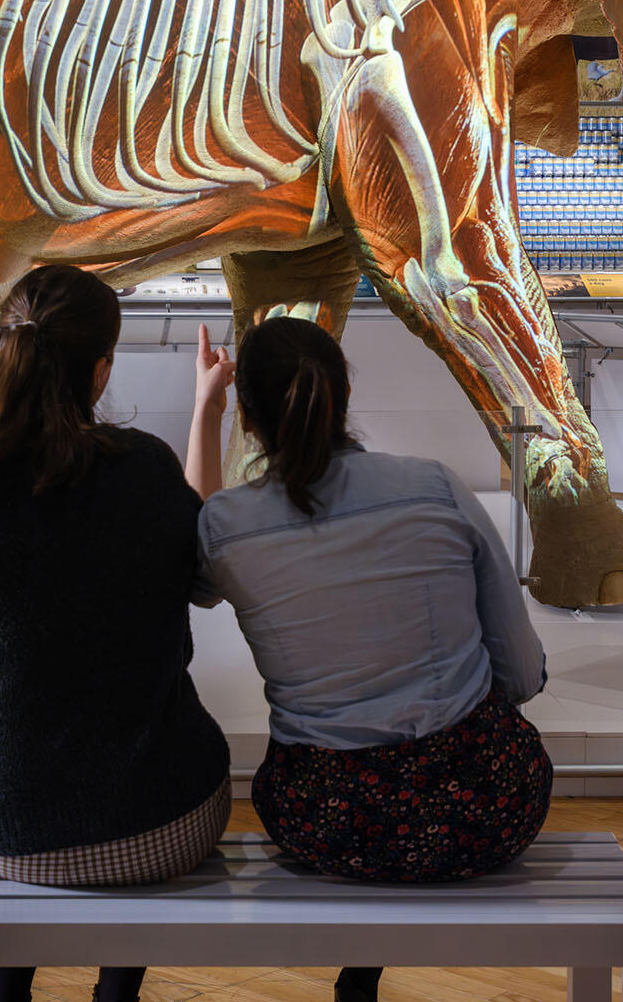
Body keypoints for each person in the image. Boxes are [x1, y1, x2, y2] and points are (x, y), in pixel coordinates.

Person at [0, 265, 230, 1002]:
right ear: (101, 371)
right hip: (162, 820)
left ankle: (9, 985)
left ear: (1, 354)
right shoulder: (145, 472)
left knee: (29, 767)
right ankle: (117, 989)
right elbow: (206, 568)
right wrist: (206, 410)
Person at [184, 316, 552, 1002]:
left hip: (325, 816)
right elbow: (523, 676)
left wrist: (205, 409)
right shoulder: (435, 487)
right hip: (484, 807)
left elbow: (200, 546)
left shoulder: (227, 526)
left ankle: (361, 972)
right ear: (344, 392)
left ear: (250, 419)